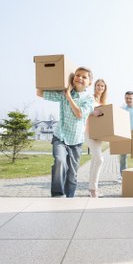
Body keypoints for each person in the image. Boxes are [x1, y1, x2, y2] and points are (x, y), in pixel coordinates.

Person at [36, 67, 94, 198]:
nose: (80, 78)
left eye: (84, 77)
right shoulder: (63, 93)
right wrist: (44, 76)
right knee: (60, 161)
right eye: (77, 75)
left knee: (72, 174)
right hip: (60, 136)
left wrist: (68, 97)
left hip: (76, 141)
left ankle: (70, 198)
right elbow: (39, 93)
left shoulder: (89, 99)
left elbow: (79, 114)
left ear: (89, 83)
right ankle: (57, 194)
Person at [86, 79, 108, 198]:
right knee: (100, 159)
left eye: (102, 86)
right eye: (98, 85)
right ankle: (93, 190)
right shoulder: (90, 98)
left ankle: (92, 189)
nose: (100, 87)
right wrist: (92, 112)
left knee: (95, 160)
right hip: (89, 132)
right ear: (95, 86)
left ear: (105, 88)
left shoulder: (104, 102)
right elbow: (82, 111)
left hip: (99, 134)